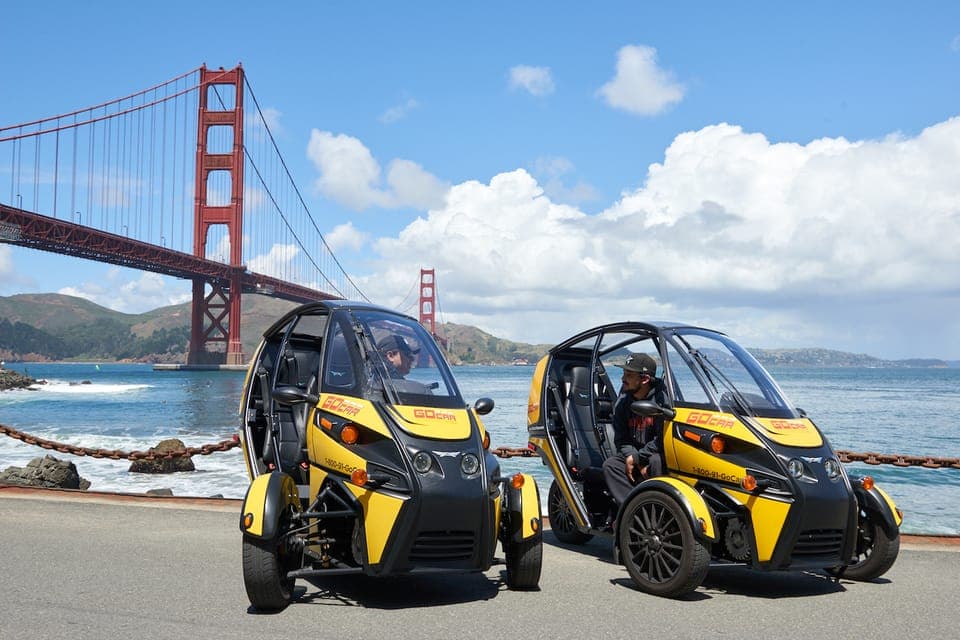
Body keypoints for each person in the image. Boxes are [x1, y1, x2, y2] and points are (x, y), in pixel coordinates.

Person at [602, 352, 666, 509]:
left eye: (629, 375)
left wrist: (639, 458)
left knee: (656, 460)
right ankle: (633, 512)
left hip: (656, 453)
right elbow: (621, 438)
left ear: (644, 379)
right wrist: (632, 456)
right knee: (611, 465)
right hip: (634, 454)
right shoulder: (623, 401)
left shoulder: (662, 399)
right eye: (624, 373)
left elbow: (662, 439)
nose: (623, 379)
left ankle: (660, 511)